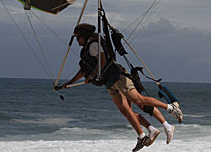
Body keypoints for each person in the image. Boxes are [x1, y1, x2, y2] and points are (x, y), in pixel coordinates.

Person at [60, 23, 183, 151]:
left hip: (117, 77)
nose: (77, 40)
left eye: (78, 37)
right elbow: (83, 70)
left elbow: (103, 61)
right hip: (109, 82)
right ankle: (142, 136)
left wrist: (92, 76)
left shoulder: (93, 45)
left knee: (138, 100)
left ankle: (170, 108)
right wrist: (70, 83)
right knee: (125, 110)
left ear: (84, 36)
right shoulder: (86, 50)